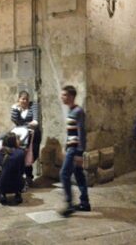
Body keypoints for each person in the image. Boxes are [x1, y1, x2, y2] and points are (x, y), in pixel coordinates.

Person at [59, 85, 91, 217]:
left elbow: (81, 132)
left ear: (71, 96)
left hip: (75, 149)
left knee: (64, 174)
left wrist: (79, 153)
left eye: (65, 95)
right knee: (79, 175)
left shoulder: (78, 111)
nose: (62, 97)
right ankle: (85, 203)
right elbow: (71, 132)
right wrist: (66, 146)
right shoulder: (71, 110)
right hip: (71, 148)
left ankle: (69, 203)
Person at [10, 91, 41, 185]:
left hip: (34, 135)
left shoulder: (33, 106)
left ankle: (28, 177)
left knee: (32, 155)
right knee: (22, 154)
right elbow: (16, 121)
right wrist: (15, 109)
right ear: (19, 99)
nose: (25, 101)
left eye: (26, 99)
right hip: (22, 135)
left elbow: (35, 121)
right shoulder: (16, 108)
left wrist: (25, 124)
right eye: (23, 99)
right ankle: (22, 177)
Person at [0, 132, 25, 205]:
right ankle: (18, 194)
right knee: (17, 175)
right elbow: (22, 170)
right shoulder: (21, 153)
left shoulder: (0, 153)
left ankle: (3, 194)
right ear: (14, 142)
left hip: (3, 184)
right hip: (19, 184)